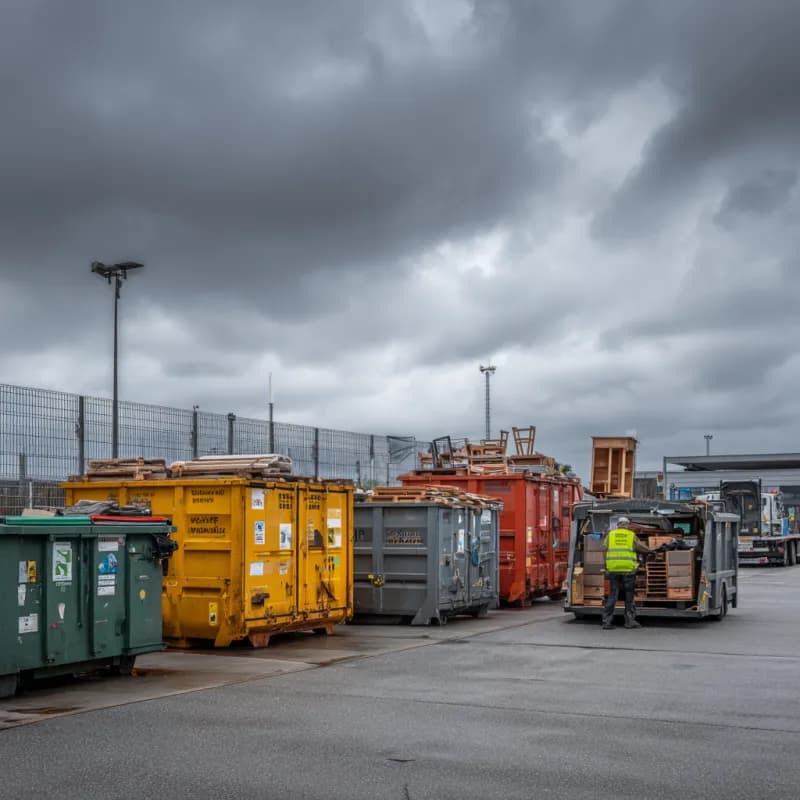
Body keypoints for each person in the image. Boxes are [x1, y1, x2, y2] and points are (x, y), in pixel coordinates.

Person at [601, 516, 654, 630]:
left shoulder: (610, 535)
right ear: (628, 525)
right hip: (628, 570)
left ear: (618, 524)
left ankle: (607, 622)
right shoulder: (631, 535)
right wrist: (651, 551)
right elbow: (640, 547)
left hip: (613, 569)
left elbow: (604, 549)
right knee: (629, 596)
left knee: (613, 596)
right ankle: (629, 621)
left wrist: (606, 565)